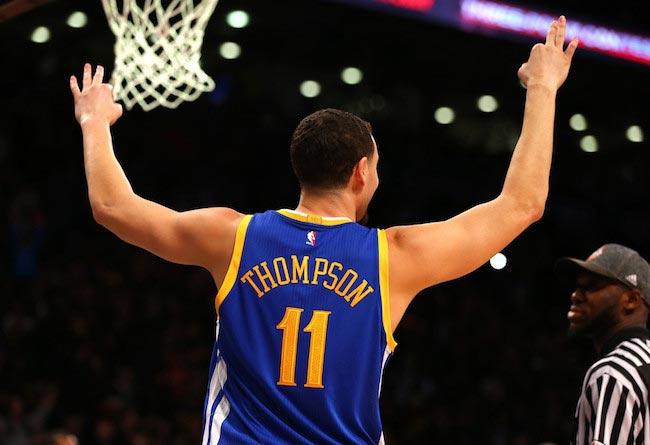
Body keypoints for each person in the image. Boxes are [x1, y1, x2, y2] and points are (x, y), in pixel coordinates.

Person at [70, 16, 577, 445]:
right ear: (361, 171)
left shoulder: (235, 237)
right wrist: (543, 88)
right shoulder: (392, 257)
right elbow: (522, 205)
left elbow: (112, 205)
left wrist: (95, 123)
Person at [555, 243, 650, 445]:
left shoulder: (613, 371)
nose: (576, 295)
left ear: (631, 300)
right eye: (577, 287)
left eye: (591, 287)